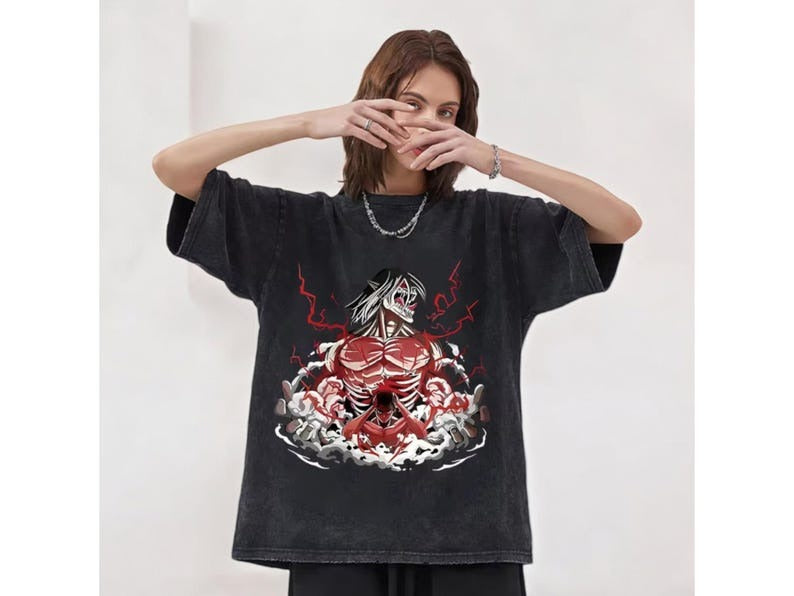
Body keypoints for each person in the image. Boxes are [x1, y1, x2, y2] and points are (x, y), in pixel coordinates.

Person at [153, 29, 641, 596]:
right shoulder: (293, 227)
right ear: (372, 102)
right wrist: (310, 124)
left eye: (447, 112)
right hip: (329, 535)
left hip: (468, 535)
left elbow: (619, 223)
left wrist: (493, 158)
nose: (429, 122)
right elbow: (173, 167)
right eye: (411, 102)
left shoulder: (495, 229)